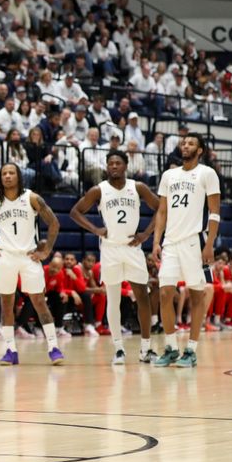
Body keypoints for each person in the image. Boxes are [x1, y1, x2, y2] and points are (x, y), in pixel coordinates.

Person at [70, 150, 160, 364]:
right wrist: (96, 229)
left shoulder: (137, 187)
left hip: (132, 248)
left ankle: (146, 349)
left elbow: (160, 208)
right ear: (106, 166)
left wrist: (146, 234)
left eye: (118, 163)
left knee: (143, 297)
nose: (114, 166)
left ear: (125, 165)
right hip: (110, 249)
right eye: (110, 163)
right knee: (113, 298)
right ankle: (118, 349)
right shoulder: (98, 190)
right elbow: (75, 212)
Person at [0, 163, 63, 365]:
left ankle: (54, 348)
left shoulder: (31, 198)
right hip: (5, 257)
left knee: (39, 302)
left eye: (11, 173)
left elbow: (54, 222)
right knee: (6, 305)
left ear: (18, 176)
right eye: (4, 173)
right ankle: (10, 350)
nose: (7, 176)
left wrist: (47, 250)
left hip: (28, 256)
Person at [152, 133, 221, 368]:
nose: (186, 146)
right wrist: (156, 241)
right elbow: (161, 212)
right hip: (170, 241)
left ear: (200, 150)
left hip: (194, 241)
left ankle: (191, 350)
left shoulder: (207, 174)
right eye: (184, 143)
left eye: (191, 143)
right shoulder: (168, 175)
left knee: (196, 293)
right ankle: (171, 348)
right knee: (164, 293)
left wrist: (210, 244)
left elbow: (214, 213)